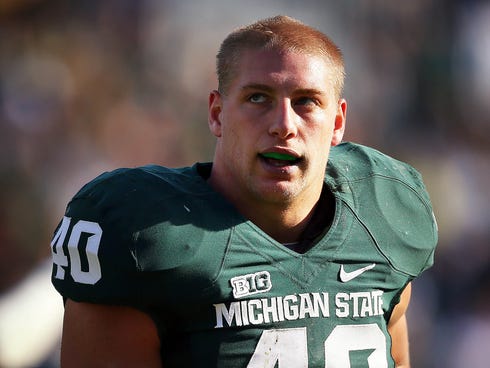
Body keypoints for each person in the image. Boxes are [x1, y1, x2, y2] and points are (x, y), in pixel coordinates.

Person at [50, 15, 437, 367]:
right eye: (258, 98)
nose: (284, 124)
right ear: (217, 114)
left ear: (337, 123)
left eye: (306, 102)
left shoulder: (383, 210)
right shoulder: (144, 233)